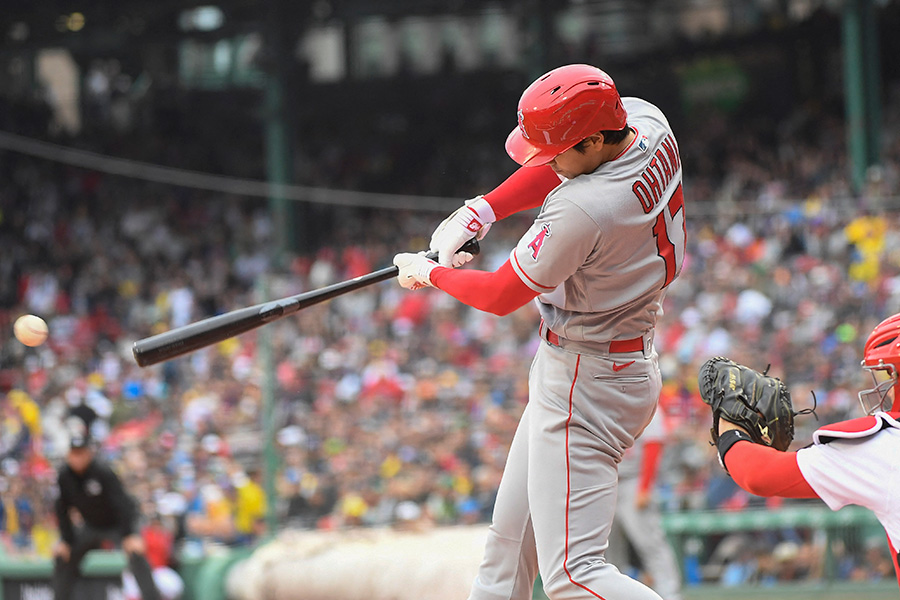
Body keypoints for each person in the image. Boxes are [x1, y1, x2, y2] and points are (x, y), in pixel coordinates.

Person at [392, 63, 686, 600]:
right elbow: (566, 162)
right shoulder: (646, 120)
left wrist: (431, 273)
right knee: (505, 554)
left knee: (575, 577)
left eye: (557, 151)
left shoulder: (587, 207)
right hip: (596, 362)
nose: (548, 160)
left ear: (595, 140)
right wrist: (482, 209)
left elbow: (502, 295)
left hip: (589, 377)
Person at [710, 312, 900, 588]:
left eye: (891, 373)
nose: (889, 385)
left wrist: (728, 425)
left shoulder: (883, 446)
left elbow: (759, 475)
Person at [52, 407, 160, 600]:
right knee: (64, 557)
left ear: (88, 453)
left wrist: (129, 534)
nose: (77, 458)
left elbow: (123, 503)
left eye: (81, 452)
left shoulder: (102, 471)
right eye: (73, 453)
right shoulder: (64, 476)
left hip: (117, 525)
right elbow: (62, 508)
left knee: (135, 553)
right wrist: (66, 540)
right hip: (91, 526)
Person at [607, 409, 683, 600]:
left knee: (649, 542)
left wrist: (645, 487)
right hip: (605, 480)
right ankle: (611, 595)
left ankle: (669, 594)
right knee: (606, 549)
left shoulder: (645, 400)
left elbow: (653, 444)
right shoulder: (602, 398)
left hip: (633, 480)